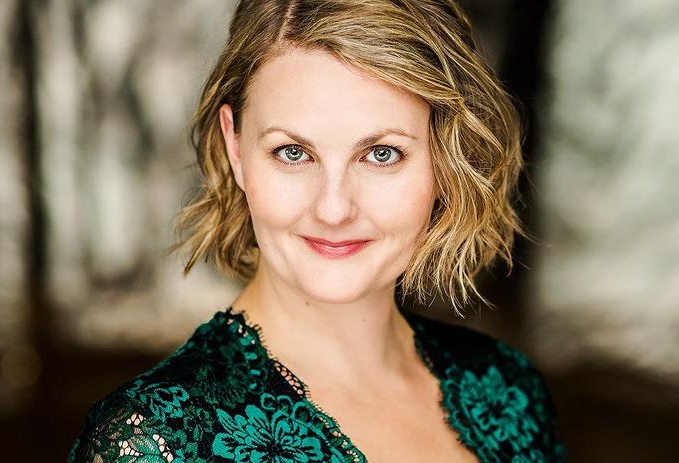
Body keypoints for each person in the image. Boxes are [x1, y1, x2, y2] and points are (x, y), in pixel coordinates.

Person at [68, 1, 567, 462]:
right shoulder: (153, 442)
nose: (333, 209)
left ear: (446, 157)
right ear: (236, 148)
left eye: (381, 154)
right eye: (293, 152)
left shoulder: (509, 391)